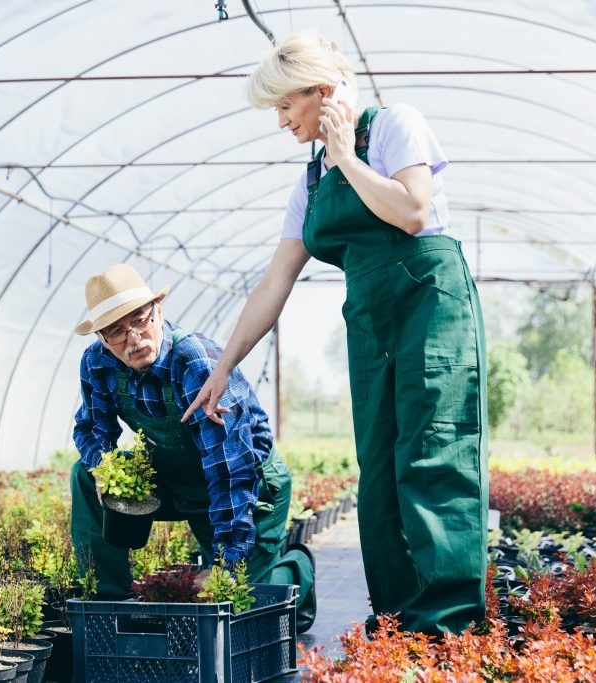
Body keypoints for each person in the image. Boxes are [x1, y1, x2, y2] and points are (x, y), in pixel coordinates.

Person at [182, 30, 488, 637]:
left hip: (430, 304)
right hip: (370, 317)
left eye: (285, 106)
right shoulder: (311, 181)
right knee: (376, 468)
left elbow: (412, 211)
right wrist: (221, 370)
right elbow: (274, 283)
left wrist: (347, 155)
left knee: (433, 455)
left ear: (322, 93)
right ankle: (399, 622)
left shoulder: (393, 126)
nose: (279, 122)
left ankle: (448, 627)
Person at [70, 263, 315, 630]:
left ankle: (297, 570)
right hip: (178, 480)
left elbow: (230, 471)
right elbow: (90, 429)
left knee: (241, 604)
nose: (134, 338)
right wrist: (105, 468)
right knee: (85, 475)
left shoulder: (194, 362)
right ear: (103, 339)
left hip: (247, 484)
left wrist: (226, 568)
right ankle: (107, 604)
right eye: (117, 332)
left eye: (140, 320)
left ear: (158, 310)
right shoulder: (97, 363)